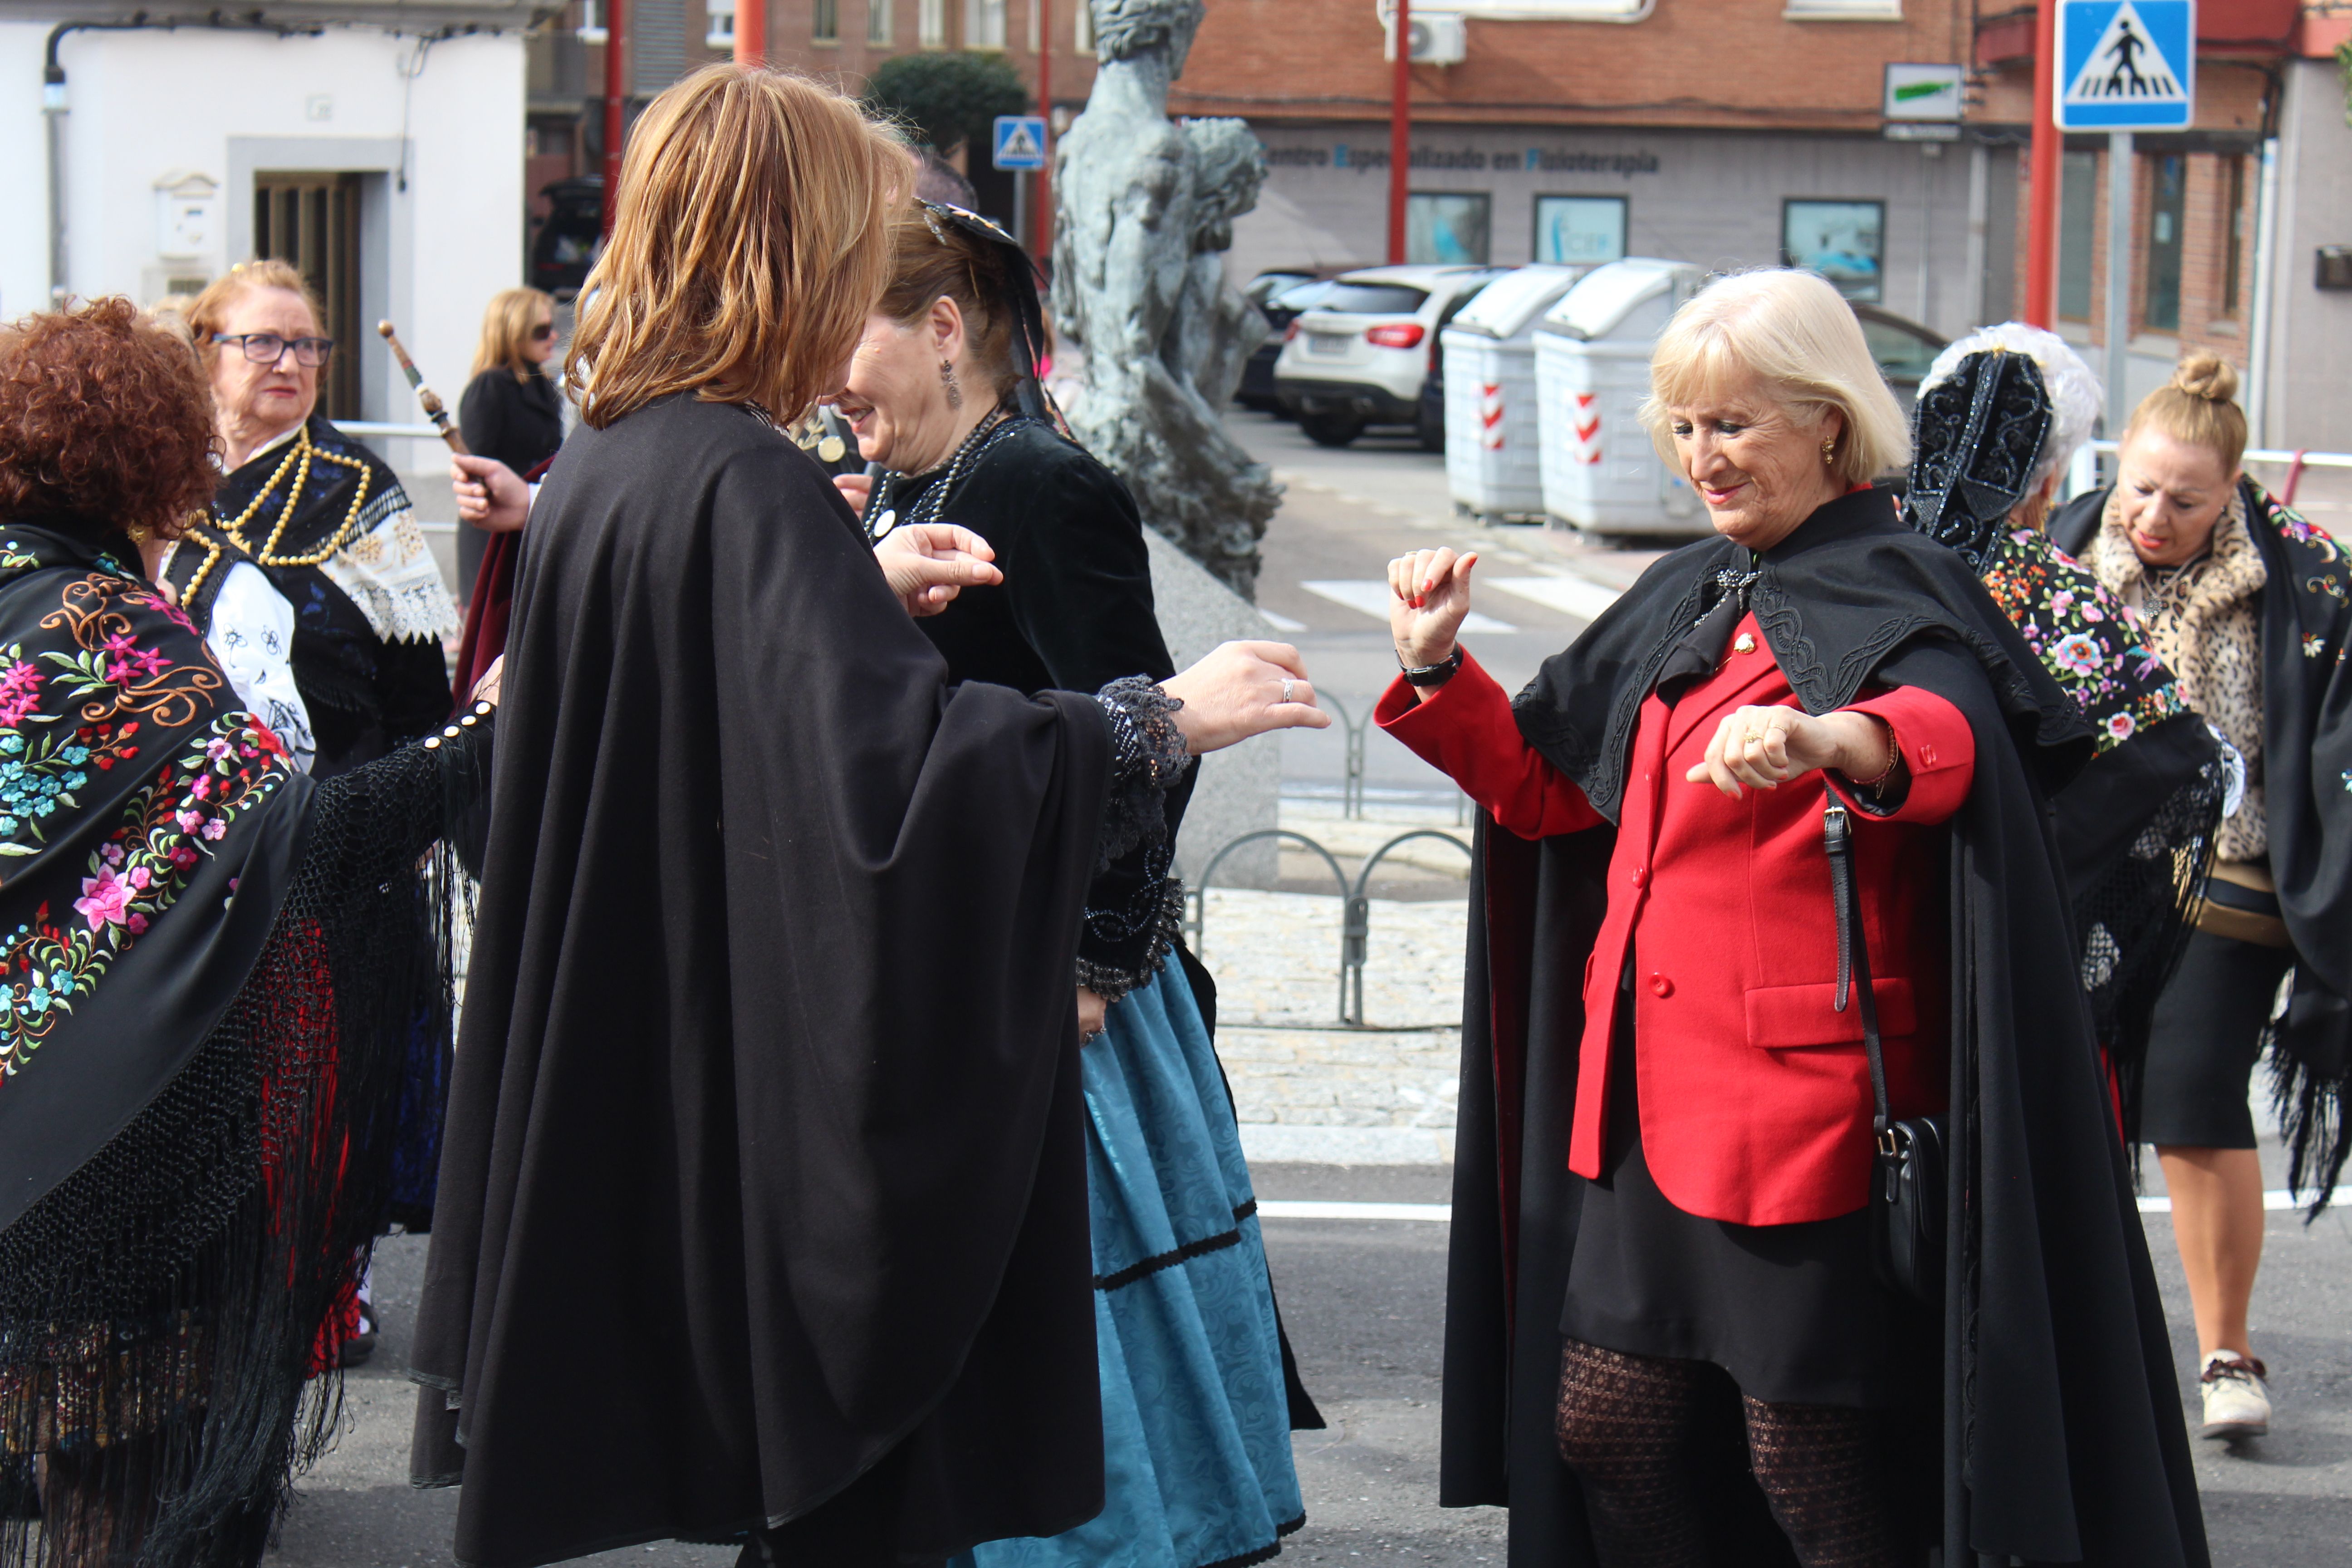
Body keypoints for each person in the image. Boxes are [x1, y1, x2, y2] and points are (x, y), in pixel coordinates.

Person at [405, 65, 1328, 1568]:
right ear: (794, 242)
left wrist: (849, 596)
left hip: (680, 1074)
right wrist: (1160, 718)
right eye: (861, 231)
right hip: (781, 1116)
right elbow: (892, 788)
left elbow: (709, 733)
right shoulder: (744, 482)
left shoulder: (619, 465)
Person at [1387, 270, 2204, 1567]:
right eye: (1688, 427)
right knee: (1608, 1431)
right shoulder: (1693, 587)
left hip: (1803, 1124)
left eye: (1736, 423)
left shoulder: (1902, 580)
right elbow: (1552, 795)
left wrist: (1837, 737)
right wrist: (1439, 668)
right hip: (1642, 1115)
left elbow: (1952, 743)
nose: (1705, 456)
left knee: (1808, 1466)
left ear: (1829, 423)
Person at [830, 199, 1310, 1568]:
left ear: (942, 328)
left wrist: (1094, 961)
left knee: (1073, 1340)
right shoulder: (911, 482)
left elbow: (1157, 727)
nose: (823, 374)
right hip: (964, 980)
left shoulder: (1034, 481)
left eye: (844, 332)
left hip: (1053, 994)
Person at [0, 297, 499, 1568]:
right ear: (151, 455)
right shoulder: (105, 631)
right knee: (119, 1482)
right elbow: (295, 843)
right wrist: (485, 730)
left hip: (29, 1122)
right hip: (110, 1157)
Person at [2050, 353, 2352, 1441]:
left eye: (2184, 498)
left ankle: (2225, 1351)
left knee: (2186, 1097)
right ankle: (2059, 1345)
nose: (2151, 514)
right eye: (2137, 487)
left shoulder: (2304, 579)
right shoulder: (2058, 556)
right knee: (2065, 1104)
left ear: (2235, 491)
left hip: (2235, 871)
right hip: (2091, 872)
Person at [1906, 325, 2227, 1135]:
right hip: (2005, 945)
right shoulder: (2061, 597)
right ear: (2048, 478)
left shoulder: (1847, 555)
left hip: (1843, 945)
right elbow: (2182, 769)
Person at [186, 260, 459, 777]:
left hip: (334, 794)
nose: (289, 365)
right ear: (207, 354)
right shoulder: (167, 475)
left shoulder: (356, 485)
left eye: (307, 346)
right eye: (262, 342)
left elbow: (416, 683)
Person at [456, 287, 565, 604]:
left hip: (534, 522)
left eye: (552, 327)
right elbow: (476, 465)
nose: (554, 336)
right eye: (541, 331)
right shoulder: (489, 387)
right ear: (513, 333)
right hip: (495, 529)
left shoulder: (543, 385)